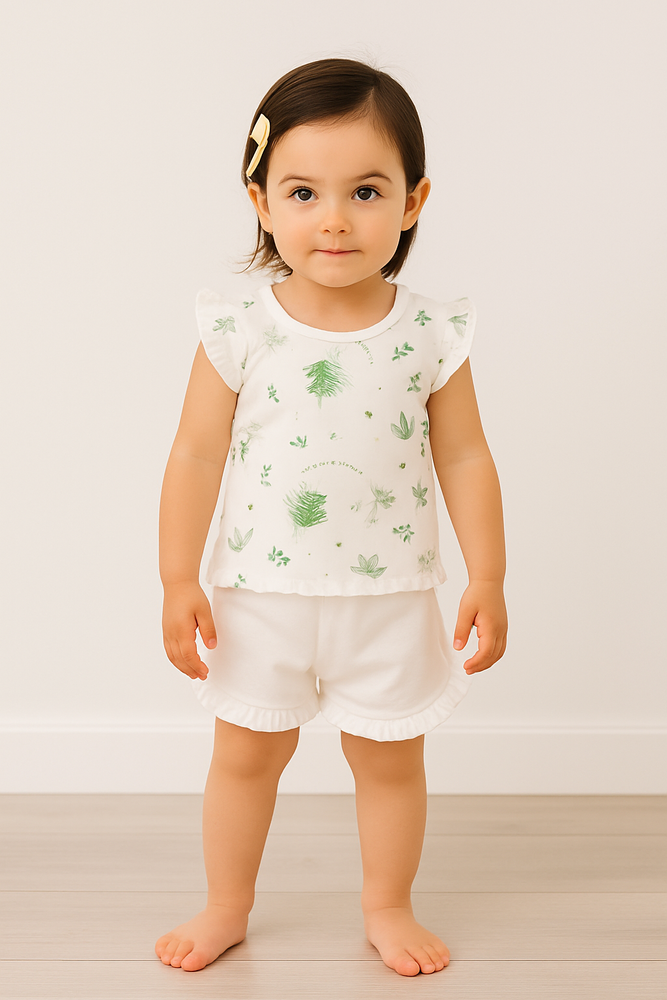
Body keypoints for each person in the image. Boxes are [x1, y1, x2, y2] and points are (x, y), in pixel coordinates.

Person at [155, 57, 507, 977]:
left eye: (366, 191)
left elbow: (464, 456)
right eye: (304, 192)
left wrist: (489, 574)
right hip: (259, 596)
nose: (336, 219)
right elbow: (194, 456)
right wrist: (177, 577)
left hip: (388, 598)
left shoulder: (431, 332)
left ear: (413, 199)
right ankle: (226, 905)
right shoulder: (239, 328)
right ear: (261, 201)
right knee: (244, 759)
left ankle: (387, 904)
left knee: (389, 764)